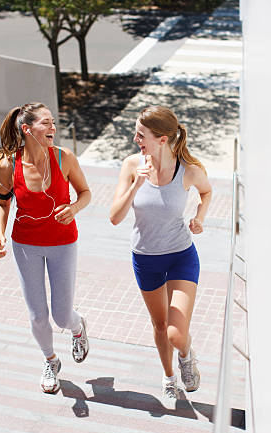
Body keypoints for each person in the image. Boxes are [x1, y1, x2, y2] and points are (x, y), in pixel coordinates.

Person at [109, 106, 212, 399]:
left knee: (175, 333)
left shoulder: (189, 170)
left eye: (141, 135)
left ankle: (186, 355)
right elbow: (114, 217)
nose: (135, 139)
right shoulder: (131, 166)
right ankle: (169, 377)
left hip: (181, 255)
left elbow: (206, 192)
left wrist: (200, 218)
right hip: (145, 258)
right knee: (159, 324)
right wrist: (137, 185)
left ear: (162, 139)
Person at [0, 102, 91, 394]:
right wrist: (0, 235)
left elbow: (86, 193)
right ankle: (50, 360)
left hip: (63, 242)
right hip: (25, 244)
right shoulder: (9, 165)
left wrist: (73, 208)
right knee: (37, 315)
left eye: (53, 122)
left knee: (61, 315)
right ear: (27, 129)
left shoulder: (64, 158)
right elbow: (2, 202)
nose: (53, 128)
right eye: (45, 123)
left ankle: (78, 326)